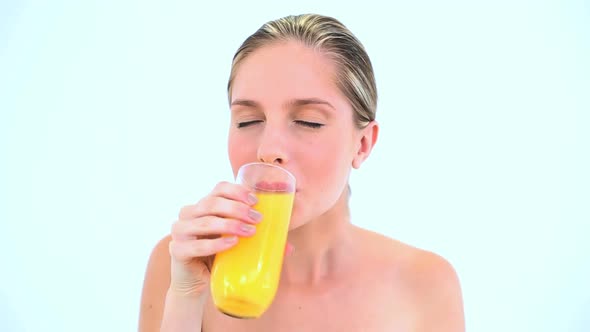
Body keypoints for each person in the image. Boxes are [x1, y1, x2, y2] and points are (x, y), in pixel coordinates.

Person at [138, 13, 465, 332]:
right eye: (248, 121)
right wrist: (186, 299)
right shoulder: (179, 266)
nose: (269, 149)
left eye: (309, 121)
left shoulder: (424, 285)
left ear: (363, 144)